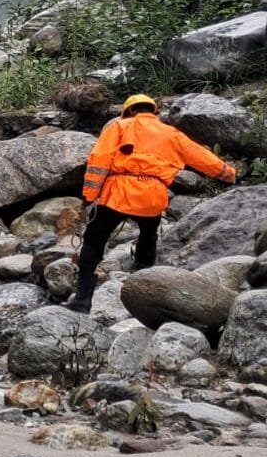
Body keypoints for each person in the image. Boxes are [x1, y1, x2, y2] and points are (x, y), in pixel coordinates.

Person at [66, 94, 237, 313]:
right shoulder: (171, 133)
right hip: (152, 195)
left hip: (118, 192)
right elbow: (201, 157)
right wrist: (228, 173)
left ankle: (82, 301)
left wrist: (89, 195)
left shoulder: (119, 126)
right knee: (148, 236)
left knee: (93, 241)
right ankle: (143, 290)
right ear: (154, 112)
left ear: (128, 111)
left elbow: (99, 159)